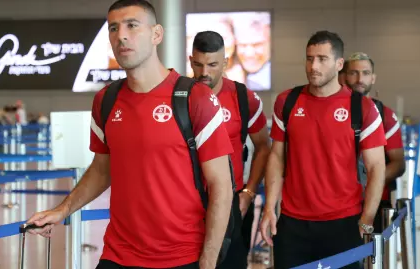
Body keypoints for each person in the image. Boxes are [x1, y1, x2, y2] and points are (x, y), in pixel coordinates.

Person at [26, 1, 235, 269]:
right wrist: (62, 209)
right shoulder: (106, 100)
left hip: (181, 256)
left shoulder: (195, 98)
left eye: (132, 26)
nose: (121, 35)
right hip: (118, 254)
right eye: (114, 28)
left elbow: (221, 186)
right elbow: (102, 170)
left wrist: (208, 261)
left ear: (156, 34)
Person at [260, 30, 387, 269]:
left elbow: (376, 167)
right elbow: (277, 156)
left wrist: (367, 218)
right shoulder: (287, 102)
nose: (313, 66)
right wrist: (269, 208)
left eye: (321, 59)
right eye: (309, 58)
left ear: (339, 64)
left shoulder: (363, 108)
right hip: (292, 223)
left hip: (344, 223)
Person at [189, 30, 270, 268]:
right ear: (191, 59)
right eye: (198, 64)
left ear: (225, 61)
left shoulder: (244, 98)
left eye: (213, 64)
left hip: (231, 200)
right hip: (186, 201)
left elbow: (263, 147)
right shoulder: (178, 98)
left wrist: (249, 192)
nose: (205, 73)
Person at [345, 52, 405, 232]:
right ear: (344, 75)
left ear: (373, 78)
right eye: (353, 73)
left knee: (372, 258)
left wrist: (370, 183)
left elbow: (398, 163)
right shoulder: (332, 112)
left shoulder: (385, 115)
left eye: (365, 73)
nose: (359, 79)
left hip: (376, 203)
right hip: (336, 205)